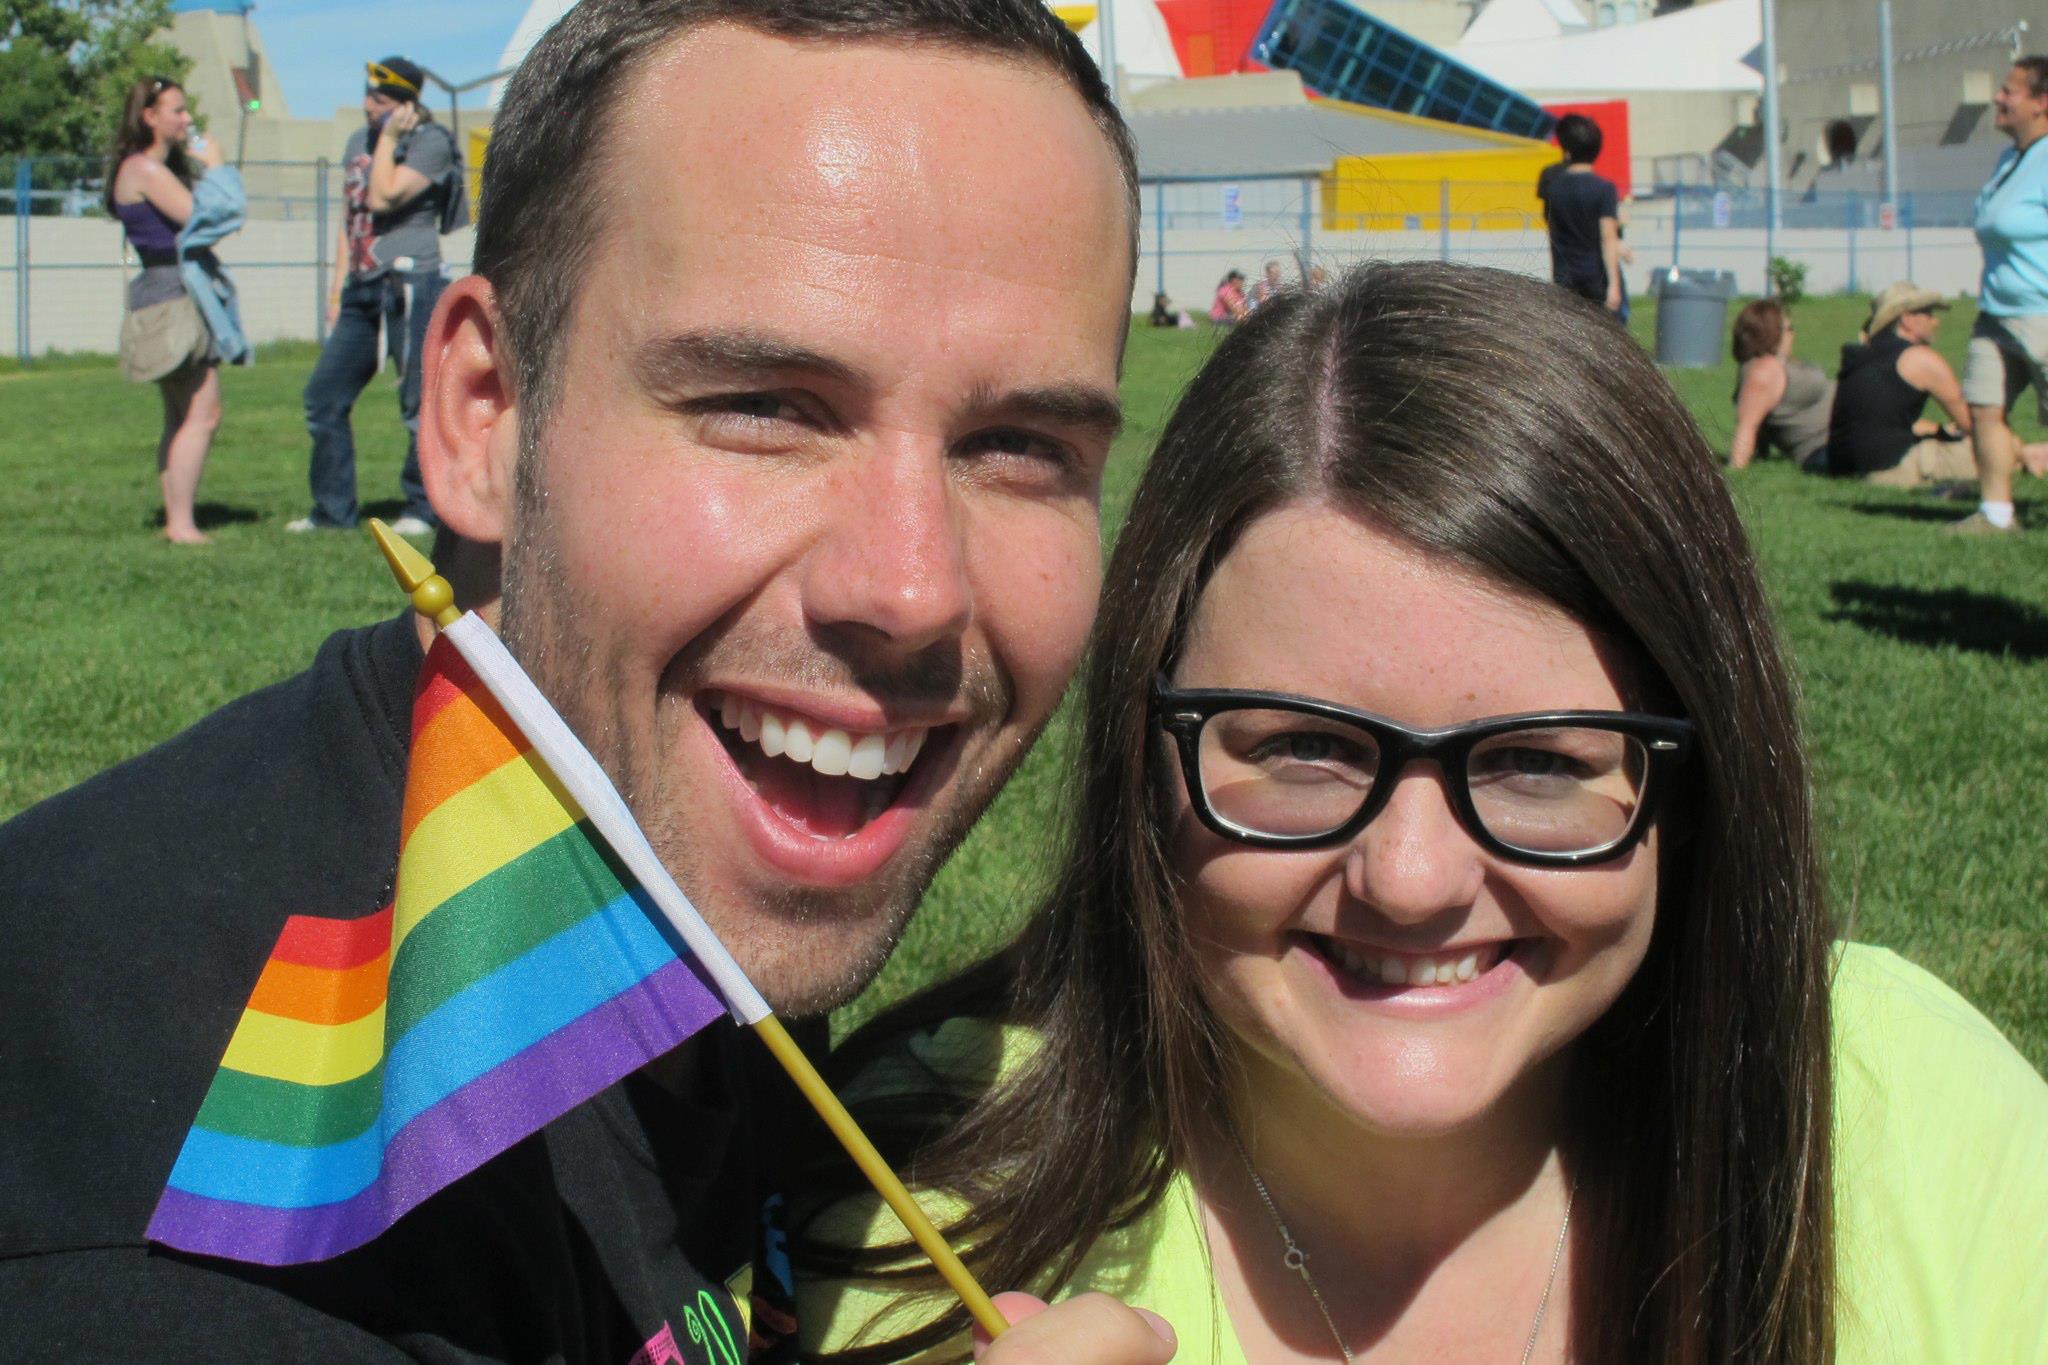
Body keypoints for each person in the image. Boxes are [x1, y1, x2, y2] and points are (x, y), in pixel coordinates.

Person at [0, 4, 1176, 1363]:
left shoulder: (666, 852)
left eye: (1021, 444)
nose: (913, 589)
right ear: (483, 417)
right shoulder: (167, 1236)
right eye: (764, 406)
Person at [797, 263, 2048, 1362]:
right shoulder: (915, 1207)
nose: (1408, 879)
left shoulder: (1908, 1112)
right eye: (1299, 749)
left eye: (1540, 767)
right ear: (1143, 749)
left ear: (1699, 784)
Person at [286, 56, 464, 536]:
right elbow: (353, 220)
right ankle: (332, 513)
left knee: (416, 403)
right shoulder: (355, 142)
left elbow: (384, 196)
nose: (367, 106)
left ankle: (423, 509)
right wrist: (337, 287)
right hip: (362, 291)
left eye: (380, 100)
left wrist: (388, 140)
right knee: (323, 397)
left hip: (412, 285)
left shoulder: (431, 143)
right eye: (367, 95)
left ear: (406, 105)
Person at [105, 76, 248, 544]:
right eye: (178, 111)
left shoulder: (147, 168)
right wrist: (219, 167)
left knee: (181, 413)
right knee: (202, 412)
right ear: (150, 116)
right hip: (172, 295)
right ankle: (181, 524)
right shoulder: (143, 169)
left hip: (169, 291)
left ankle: (177, 519)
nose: (187, 120)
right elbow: (207, 216)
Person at [1954, 55, 2048, 534]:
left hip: (2043, 314)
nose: (1998, 98)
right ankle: (1995, 514)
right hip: (1995, 312)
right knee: (1985, 406)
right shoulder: (2009, 159)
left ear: (2041, 102)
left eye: (2010, 91)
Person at [1823, 282, 1977, 488]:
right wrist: (2018, 449)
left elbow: (1878, 420)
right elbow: (1975, 424)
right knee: (1993, 452)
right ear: (1907, 319)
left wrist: (1939, 430)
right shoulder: (1919, 359)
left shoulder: (1861, 357)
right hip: (1891, 469)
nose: (1935, 321)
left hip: (1843, 466)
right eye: (1928, 313)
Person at [1728, 297, 1833, 470]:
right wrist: (1737, 466)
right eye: (1789, 329)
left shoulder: (1769, 366)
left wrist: (1761, 453)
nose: (1793, 335)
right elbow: (1748, 425)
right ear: (1771, 332)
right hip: (1824, 447)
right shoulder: (1764, 371)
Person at [1536, 113, 1621, 314]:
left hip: (1564, 275)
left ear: (1566, 150)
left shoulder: (1554, 188)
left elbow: (1550, 225)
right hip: (1595, 276)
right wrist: (1614, 285)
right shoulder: (1604, 188)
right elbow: (1608, 238)